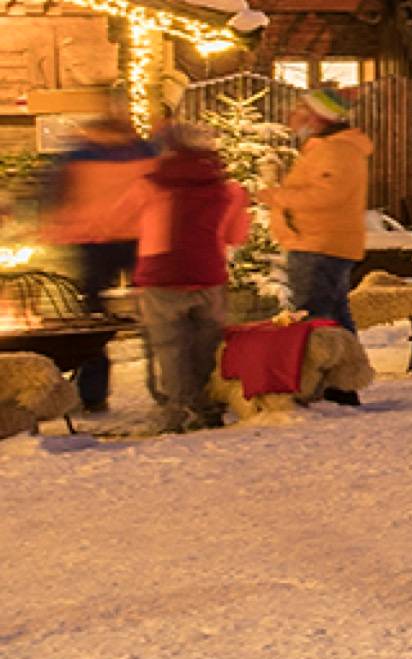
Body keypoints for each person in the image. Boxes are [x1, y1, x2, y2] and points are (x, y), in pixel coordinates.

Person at [126, 116, 249, 433]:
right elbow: (236, 235)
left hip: (162, 275)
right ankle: (208, 408)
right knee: (207, 345)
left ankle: (180, 411)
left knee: (171, 348)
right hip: (208, 273)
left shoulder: (150, 184)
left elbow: (126, 220)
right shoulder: (228, 189)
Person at [28, 88, 145, 414]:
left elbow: (54, 192)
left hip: (93, 243)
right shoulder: (143, 151)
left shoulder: (78, 154)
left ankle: (93, 392)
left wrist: (53, 226)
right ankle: (169, 386)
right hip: (139, 240)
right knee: (155, 315)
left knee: (91, 323)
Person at [269, 88, 371, 328]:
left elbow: (326, 196)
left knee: (314, 319)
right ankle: (348, 365)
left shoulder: (336, 150)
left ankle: (327, 365)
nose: (292, 114)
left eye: (300, 109)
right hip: (316, 243)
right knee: (333, 317)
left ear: (317, 116)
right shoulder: (327, 148)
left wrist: (277, 197)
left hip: (318, 246)